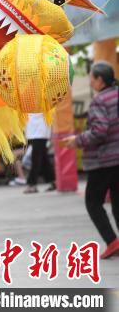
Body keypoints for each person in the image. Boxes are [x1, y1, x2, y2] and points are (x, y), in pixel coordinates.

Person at [61, 61, 119, 259]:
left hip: (104, 161)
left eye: (92, 77)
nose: (91, 81)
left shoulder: (100, 101)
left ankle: (112, 241)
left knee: (93, 202)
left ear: (99, 80)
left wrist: (77, 140)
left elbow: (100, 131)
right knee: (118, 201)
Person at [24, 113, 55, 194]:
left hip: (39, 132)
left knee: (36, 159)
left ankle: (32, 184)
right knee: (44, 159)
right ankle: (53, 181)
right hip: (35, 131)